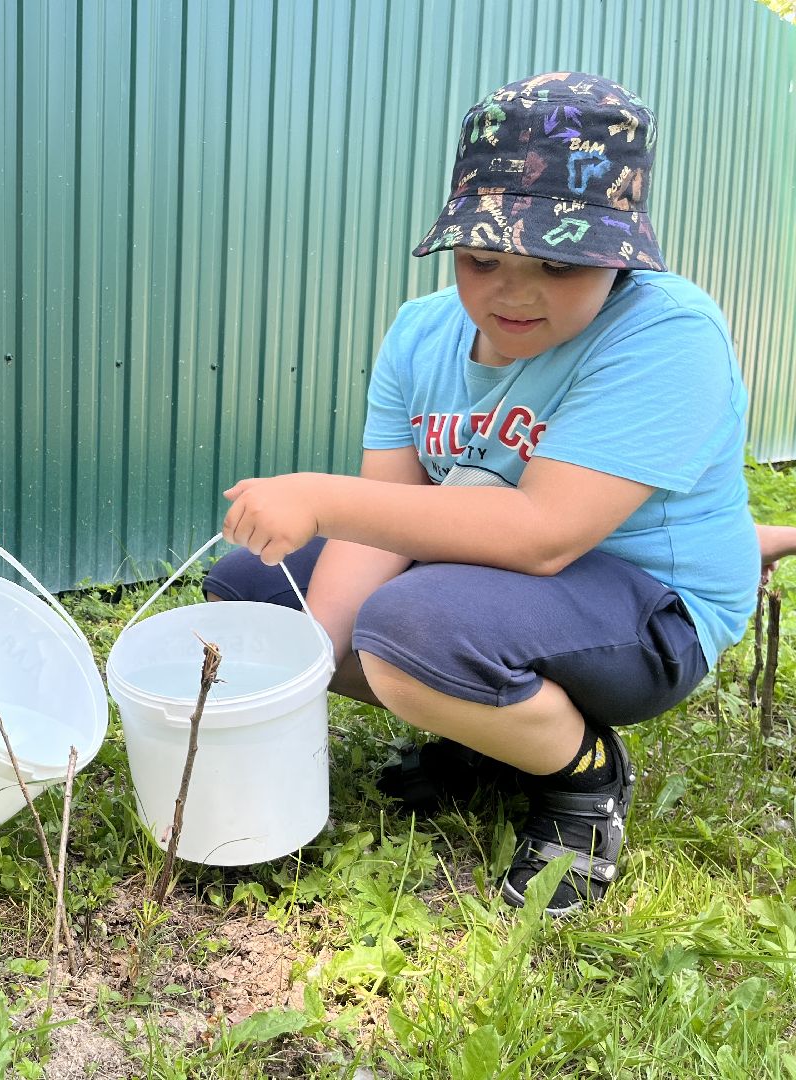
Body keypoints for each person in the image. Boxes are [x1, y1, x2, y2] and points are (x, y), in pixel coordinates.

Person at [207, 72, 760, 916]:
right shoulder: (420, 332)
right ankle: (489, 735)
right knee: (257, 593)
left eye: (559, 261)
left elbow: (545, 533)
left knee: (412, 627)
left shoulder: (668, 333)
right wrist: (308, 664)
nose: (514, 290)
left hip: (645, 603)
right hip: (498, 589)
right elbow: (380, 521)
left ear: (621, 254)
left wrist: (319, 498)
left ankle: (584, 778)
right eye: (482, 257)